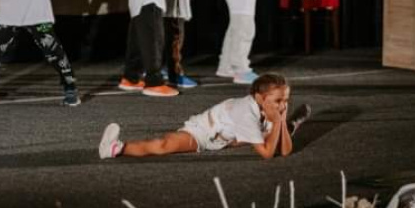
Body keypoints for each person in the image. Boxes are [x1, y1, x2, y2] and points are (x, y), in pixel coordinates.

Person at [99, 73, 312, 159]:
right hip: (202, 131)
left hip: (226, 139)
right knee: (165, 145)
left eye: (285, 100)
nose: (283, 105)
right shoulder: (246, 112)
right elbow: (267, 154)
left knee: (272, 134)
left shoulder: (267, 110)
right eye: (278, 101)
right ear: (259, 97)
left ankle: (291, 124)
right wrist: (278, 122)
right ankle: (116, 148)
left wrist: (281, 120)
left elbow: (285, 152)